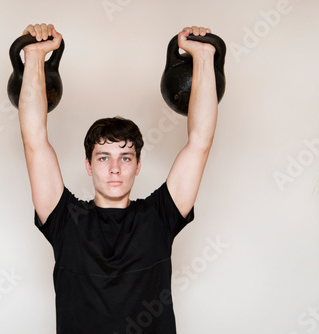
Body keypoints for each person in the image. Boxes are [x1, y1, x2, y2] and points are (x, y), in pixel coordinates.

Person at [18, 23, 218, 334]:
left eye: (125, 158)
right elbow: (34, 140)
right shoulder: (64, 220)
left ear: (138, 165)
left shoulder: (160, 216)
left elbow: (200, 141)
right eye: (103, 158)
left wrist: (204, 56)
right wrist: (34, 56)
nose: (114, 168)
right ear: (88, 165)